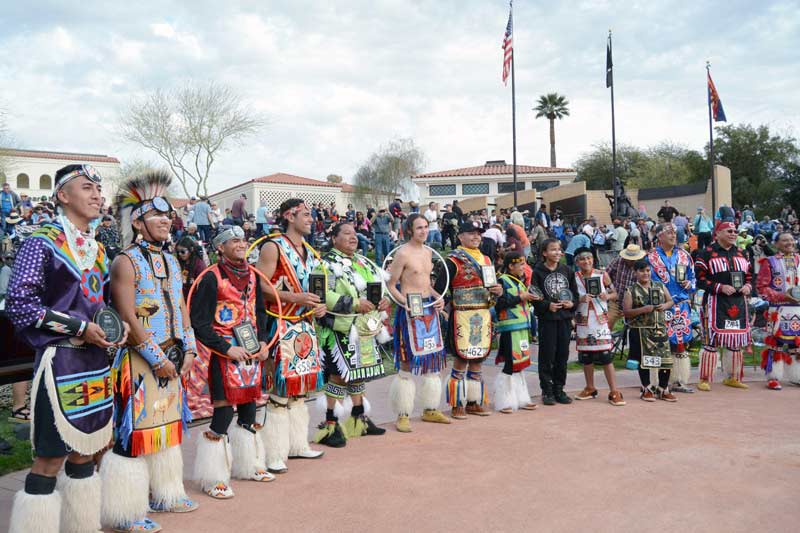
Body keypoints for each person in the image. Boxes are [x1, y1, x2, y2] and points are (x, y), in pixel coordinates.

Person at [6, 164, 126, 533]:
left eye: (99, 189)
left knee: (86, 453)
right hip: (60, 361)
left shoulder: (99, 249)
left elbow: (100, 303)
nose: (97, 195)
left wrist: (113, 327)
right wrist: (79, 327)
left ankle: (81, 525)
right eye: (87, 187)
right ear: (62, 195)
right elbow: (19, 303)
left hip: (93, 361)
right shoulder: (40, 241)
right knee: (49, 458)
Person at [101, 170, 198, 532]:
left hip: (173, 358)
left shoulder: (172, 261)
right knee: (133, 431)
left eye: (168, 214)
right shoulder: (125, 261)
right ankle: (127, 510)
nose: (165, 220)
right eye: (156, 215)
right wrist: (156, 359)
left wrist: (188, 349)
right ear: (138, 223)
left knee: (166, 426)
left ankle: (165, 493)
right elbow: (127, 314)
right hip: (140, 361)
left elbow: (180, 306)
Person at [189, 225, 274, 499]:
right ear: (220, 247)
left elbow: (260, 312)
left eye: (243, 240)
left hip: (249, 352)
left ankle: (249, 464)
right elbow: (199, 322)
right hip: (225, 354)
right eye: (233, 240)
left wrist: (262, 342)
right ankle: (212, 476)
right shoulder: (211, 278)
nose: (240, 244)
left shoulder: (252, 274)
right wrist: (226, 348)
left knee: (250, 406)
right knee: (224, 412)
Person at [256, 198, 326, 474]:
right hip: (281, 324)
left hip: (304, 324)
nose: (311, 219)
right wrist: (293, 296)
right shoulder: (273, 246)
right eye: (306, 215)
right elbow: (259, 284)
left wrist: (318, 306)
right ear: (290, 216)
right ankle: (274, 451)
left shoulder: (307, 249)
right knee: (279, 392)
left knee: (299, 390)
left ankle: (297, 444)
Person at [312, 222, 390, 447]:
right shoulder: (325, 264)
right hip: (341, 326)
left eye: (355, 234)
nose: (353, 238)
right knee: (339, 375)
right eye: (347, 234)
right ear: (334, 238)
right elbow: (320, 293)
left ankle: (359, 419)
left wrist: (383, 300)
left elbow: (378, 286)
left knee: (358, 373)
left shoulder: (363, 261)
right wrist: (354, 304)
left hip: (366, 327)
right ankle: (330, 425)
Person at [386, 213, 449, 432]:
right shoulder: (402, 254)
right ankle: (403, 414)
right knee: (406, 361)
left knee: (432, 358)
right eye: (419, 227)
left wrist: (439, 299)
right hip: (410, 312)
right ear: (410, 230)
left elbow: (425, 284)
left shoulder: (429, 252)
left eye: (426, 226)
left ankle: (430, 408)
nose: (424, 231)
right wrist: (406, 304)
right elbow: (391, 285)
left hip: (429, 310)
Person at [433, 221, 502, 419]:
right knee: (462, 360)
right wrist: (442, 307)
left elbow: (493, 287)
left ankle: (473, 401)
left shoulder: (487, 259)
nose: (476, 237)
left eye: (478, 234)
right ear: (460, 236)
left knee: (478, 359)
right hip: (462, 314)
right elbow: (440, 290)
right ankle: (456, 403)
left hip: (483, 314)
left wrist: (498, 290)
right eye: (471, 233)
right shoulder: (453, 260)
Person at [695, 221, 752, 391]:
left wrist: (748, 287)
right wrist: (719, 287)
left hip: (738, 303)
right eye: (729, 231)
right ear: (718, 233)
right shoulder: (705, 253)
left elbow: (749, 276)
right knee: (710, 341)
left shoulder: (743, 253)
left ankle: (733, 377)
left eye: (735, 231)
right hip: (714, 303)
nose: (733, 234)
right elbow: (699, 279)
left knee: (735, 341)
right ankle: (705, 378)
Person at [572, 248, 625, 406]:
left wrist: (606, 296)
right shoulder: (574, 278)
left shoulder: (602, 275)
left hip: (600, 319)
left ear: (593, 260)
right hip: (583, 320)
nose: (586, 262)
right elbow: (570, 296)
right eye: (582, 259)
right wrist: (580, 298)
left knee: (605, 355)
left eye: (589, 258)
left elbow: (615, 293)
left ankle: (614, 391)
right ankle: (590, 387)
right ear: (577, 262)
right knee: (586, 356)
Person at [647, 223, 696, 393]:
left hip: (681, 306)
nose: (673, 235)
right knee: (658, 343)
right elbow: (647, 282)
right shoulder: (651, 258)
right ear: (659, 236)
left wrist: (689, 284)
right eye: (669, 232)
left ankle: (679, 380)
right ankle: (656, 381)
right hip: (660, 306)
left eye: (675, 232)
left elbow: (693, 279)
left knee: (680, 343)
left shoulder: (684, 256)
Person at [531, 239, 578, 406]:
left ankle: (559, 388)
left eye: (559, 249)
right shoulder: (537, 272)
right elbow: (534, 297)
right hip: (547, 320)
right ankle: (547, 390)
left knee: (562, 355)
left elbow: (575, 295)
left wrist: (572, 304)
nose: (557, 252)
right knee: (547, 356)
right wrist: (546, 306)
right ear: (544, 253)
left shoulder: (567, 270)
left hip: (564, 319)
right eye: (553, 250)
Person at [493, 252, 540, 412]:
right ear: (511, 266)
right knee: (510, 363)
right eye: (520, 265)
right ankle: (504, 400)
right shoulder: (502, 281)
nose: (523, 268)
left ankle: (522, 398)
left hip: (521, 327)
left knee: (521, 363)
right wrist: (522, 297)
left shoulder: (519, 281)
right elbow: (499, 304)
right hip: (509, 328)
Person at [623, 260, 677, 402]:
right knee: (644, 361)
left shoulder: (659, 286)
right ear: (635, 273)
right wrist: (643, 309)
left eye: (647, 270)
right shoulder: (631, 290)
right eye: (641, 271)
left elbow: (670, 301)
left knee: (665, 360)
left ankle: (663, 389)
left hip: (659, 328)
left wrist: (664, 306)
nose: (645, 273)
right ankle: (646, 388)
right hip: (641, 331)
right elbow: (626, 312)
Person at [757, 232, 800, 389]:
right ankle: (773, 377)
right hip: (779, 309)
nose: (789, 242)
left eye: (791, 239)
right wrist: (782, 296)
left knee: (797, 344)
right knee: (776, 344)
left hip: (798, 309)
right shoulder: (770, 262)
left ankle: (797, 375)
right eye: (784, 240)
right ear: (776, 244)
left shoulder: (799, 260)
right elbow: (762, 288)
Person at [605, 244, 645, 329]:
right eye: (629, 259)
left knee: (635, 328)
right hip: (616, 301)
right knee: (607, 324)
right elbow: (605, 274)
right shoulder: (618, 261)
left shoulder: (642, 266)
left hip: (633, 304)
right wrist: (610, 288)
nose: (631, 261)